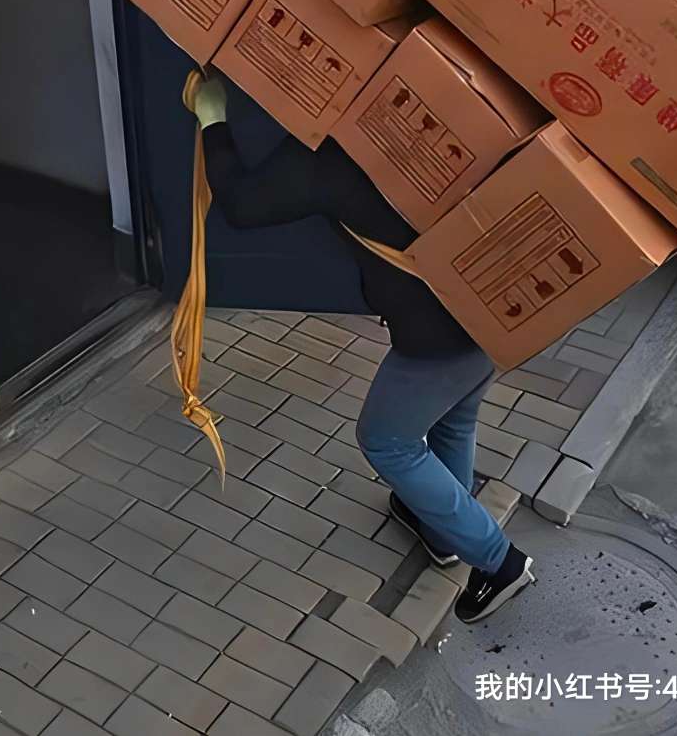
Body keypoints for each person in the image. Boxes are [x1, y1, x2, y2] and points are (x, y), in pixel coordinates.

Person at [191, 73, 536, 624]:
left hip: (436, 336)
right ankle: (442, 533)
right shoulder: (438, 115)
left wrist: (212, 117)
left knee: (387, 440)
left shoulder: (334, 151)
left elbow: (243, 204)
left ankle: (498, 563)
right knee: (452, 421)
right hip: (493, 308)